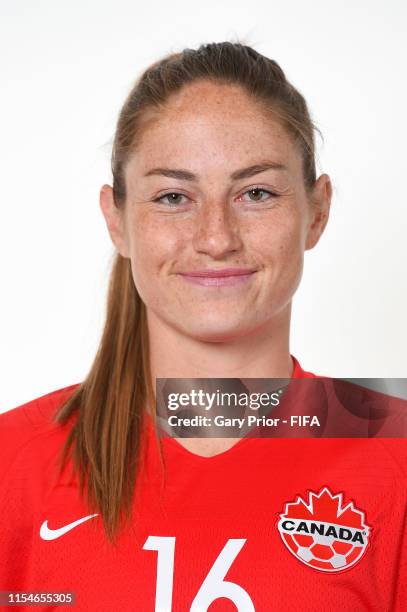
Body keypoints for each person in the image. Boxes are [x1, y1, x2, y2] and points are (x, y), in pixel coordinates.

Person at [0, 41, 405, 611]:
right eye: (173, 197)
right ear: (116, 221)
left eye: (256, 193)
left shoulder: (395, 457)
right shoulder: (10, 465)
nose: (216, 237)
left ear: (317, 211)